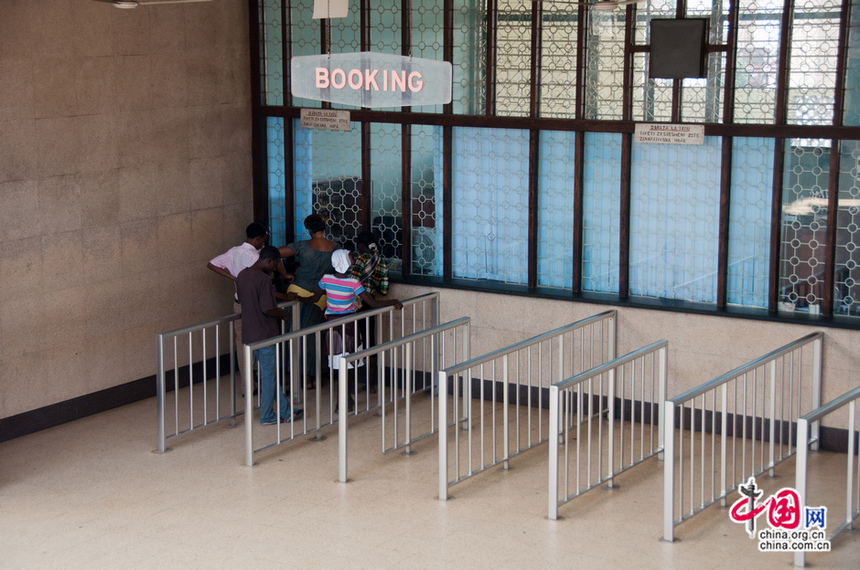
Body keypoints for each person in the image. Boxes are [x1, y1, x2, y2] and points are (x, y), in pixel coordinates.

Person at [288, 249, 402, 411]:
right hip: (348, 326)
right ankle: (342, 401)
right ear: (344, 262)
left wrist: (299, 298)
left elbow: (314, 298)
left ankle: (345, 399)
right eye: (351, 258)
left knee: (337, 365)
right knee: (348, 366)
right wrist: (394, 301)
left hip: (331, 327)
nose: (354, 261)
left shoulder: (326, 279)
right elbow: (373, 303)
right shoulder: (353, 282)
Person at [207, 222, 288, 387]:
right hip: (257, 305)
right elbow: (265, 290)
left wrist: (235, 279)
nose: (263, 244)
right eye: (263, 241)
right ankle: (263, 383)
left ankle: (247, 385)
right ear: (257, 240)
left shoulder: (233, 252)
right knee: (261, 342)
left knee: (242, 342)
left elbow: (212, 264)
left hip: (240, 303)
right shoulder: (257, 258)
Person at [236, 246, 302, 425]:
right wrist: (283, 314)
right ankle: (267, 415)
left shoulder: (242, 275)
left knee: (269, 374)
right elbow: (267, 308)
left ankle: (285, 411)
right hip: (264, 333)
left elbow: (242, 300)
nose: (275, 269)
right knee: (268, 375)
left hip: (249, 332)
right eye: (275, 265)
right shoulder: (263, 279)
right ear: (268, 260)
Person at [278, 214, 336, 388]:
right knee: (312, 335)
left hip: (297, 289)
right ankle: (312, 377)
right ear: (324, 228)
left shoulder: (302, 246)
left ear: (309, 229)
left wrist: (285, 274)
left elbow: (274, 254)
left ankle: (294, 374)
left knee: (292, 333)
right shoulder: (335, 247)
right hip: (321, 295)